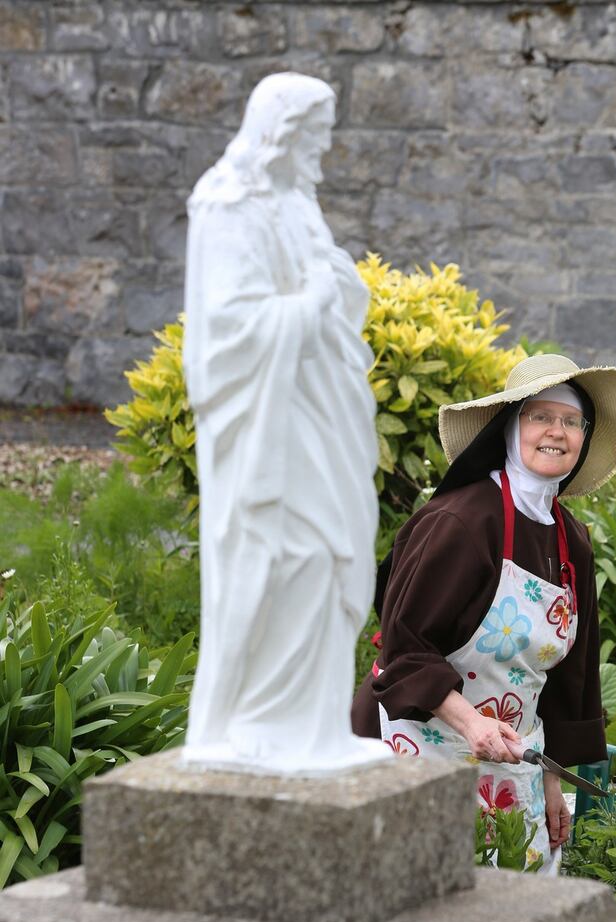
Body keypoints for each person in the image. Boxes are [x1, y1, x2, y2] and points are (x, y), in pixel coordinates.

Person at [352, 353, 616, 871]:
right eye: (541, 416)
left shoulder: (571, 538)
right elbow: (405, 647)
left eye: (572, 421)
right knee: (417, 906)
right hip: (419, 743)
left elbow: (568, 677)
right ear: (511, 426)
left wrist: (552, 780)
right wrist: (472, 725)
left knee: (519, 909)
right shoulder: (460, 522)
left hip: (514, 758)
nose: (557, 431)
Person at [182, 73, 385, 773]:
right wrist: (308, 303)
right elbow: (226, 332)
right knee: (291, 556)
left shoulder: (297, 202)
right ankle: (260, 724)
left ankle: (315, 725)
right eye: (316, 139)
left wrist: (334, 285)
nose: (322, 155)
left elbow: (330, 289)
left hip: (320, 411)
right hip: (267, 421)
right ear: (283, 134)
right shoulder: (228, 204)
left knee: (335, 556)